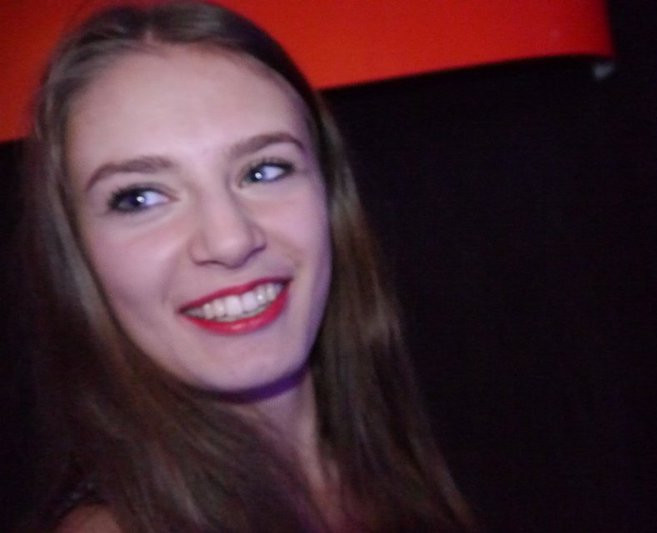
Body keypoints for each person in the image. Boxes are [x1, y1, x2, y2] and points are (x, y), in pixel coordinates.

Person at [20, 1, 474, 531]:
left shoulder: (436, 448)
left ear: (329, 193)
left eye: (263, 171)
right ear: (76, 252)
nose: (230, 240)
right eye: (140, 197)